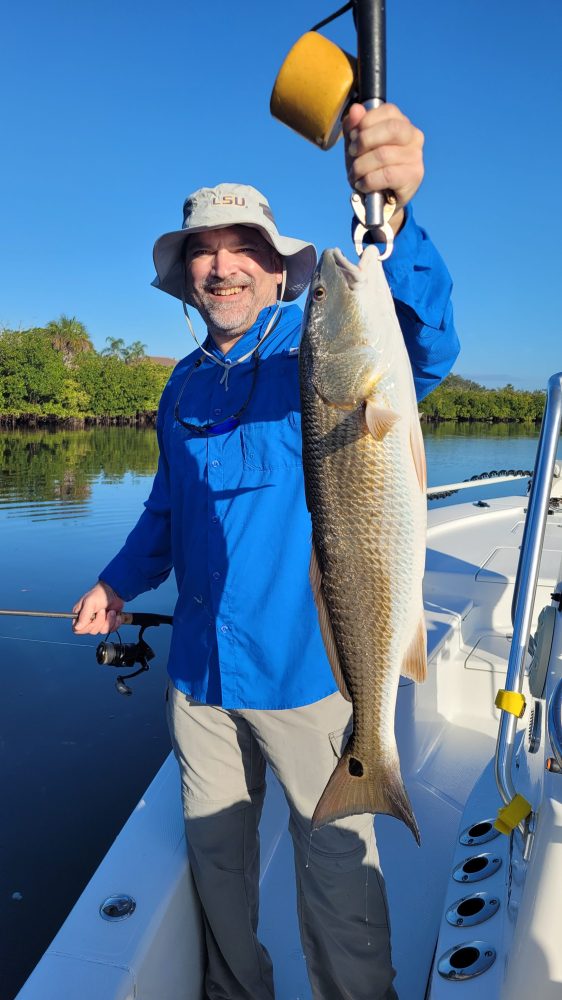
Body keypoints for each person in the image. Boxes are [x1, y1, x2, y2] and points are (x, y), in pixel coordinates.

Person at [73, 102, 459, 1000]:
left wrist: (398, 211)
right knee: (218, 874)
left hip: (312, 675)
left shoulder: (317, 346)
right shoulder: (179, 388)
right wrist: (115, 579)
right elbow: (165, 514)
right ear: (188, 276)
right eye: (203, 249)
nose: (221, 263)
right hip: (200, 682)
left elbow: (422, 344)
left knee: (339, 884)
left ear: (274, 266)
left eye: (241, 244)